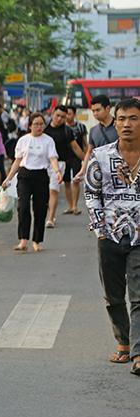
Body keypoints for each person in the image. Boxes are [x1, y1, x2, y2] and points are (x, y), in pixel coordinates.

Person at [84, 98, 140, 374]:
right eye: (122, 119)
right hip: (109, 236)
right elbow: (92, 193)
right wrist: (100, 229)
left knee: (139, 296)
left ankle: (139, 352)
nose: (127, 124)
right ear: (114, 122)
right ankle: (125, 343)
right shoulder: (101, 156)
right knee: (113, 295)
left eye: (133, 118)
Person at [2, 112, 63, 252]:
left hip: (41, 175)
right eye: (36, 124)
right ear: (30, 125)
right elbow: (17, 161)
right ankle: (23, 240)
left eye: (41, 124)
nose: (39, 127)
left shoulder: (48, 140)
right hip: (25, 175)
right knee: (23, 206)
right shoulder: (23, 141)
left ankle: (36, 240)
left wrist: (58, 171)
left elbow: (53, 158)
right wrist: (8, 178)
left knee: (40, 209)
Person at [43, 105, 84, 228]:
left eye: (63, 117)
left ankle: (51, 218)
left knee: (53, 190)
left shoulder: (67, 131)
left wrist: (86, 162)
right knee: (45, 192)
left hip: (60, 164)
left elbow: (75, 147)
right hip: (44, 164)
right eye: (57, 116)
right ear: (52, 114)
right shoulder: (44, 130)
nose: (59, 119)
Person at [75, 94, 118, 183]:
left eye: (98, 110)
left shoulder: (120, 127)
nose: (95, 114)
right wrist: (83, 170)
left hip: (119, 170)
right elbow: (90, 151)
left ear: (107, 108)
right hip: (101, 172)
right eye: (93, 111)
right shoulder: (93, 130)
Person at [64, 105, 88, 214]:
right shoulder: (62, 128)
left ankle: (75, 205)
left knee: (76, 181)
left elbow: (85, 144)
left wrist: (86, 158)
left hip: (76, 157)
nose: (67, 116)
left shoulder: (81, 127)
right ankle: (70, 206)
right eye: (66, 114)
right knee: (66, 182)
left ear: (74, 114)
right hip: (64, 157)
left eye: (69, 114)